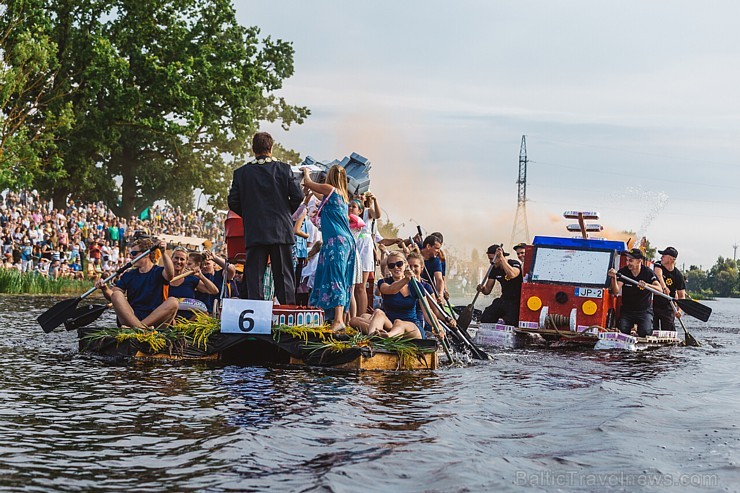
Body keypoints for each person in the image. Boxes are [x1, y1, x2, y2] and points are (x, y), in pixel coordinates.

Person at [227, 131, 304, 304]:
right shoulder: (284, 169)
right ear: (271, 147)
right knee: (283, 277)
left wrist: (250, 214)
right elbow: (298, 196)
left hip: (255, 231)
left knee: (255, 278)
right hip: (281, 230)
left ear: (253, 148)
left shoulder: (241, 173)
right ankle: (287, 316)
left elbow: (233, 202)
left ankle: (255, 315)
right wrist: (286, 212)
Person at [301, 164, 356, 331]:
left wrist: (306, 172)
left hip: (337, 242)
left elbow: (309, 182)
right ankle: (337, 318)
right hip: (339, 242)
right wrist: (309, 194)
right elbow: (317, 194)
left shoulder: (329, 188)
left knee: (336, 278)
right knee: (335, 277)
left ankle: (338, 320)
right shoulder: (341, 195)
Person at [98, 238, 179, 328]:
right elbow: (113, 295)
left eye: (134, 253)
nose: (131, 257)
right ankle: (141, 328)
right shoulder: (129, 275)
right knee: (117, 294)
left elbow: (170, 275)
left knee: (173, 301)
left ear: (146, 254)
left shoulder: (159, 271)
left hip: (154, 320)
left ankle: (140, 328)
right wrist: (104, 288)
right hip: (132, 318)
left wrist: (163, 252)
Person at [607, 248, 662, 337]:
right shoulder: (623, 272)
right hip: (627, 311)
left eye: (631, 261)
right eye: (627, 260)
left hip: (644, 311)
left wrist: (647, 285)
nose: (628, 263)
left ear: (639, 261)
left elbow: (659, 290)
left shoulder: (648, 272)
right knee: (623, 330)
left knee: (645, 332)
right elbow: (616, 291)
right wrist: (613, 278)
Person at [478, 244, 523, 326]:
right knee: (486, 317)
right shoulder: (494, 269)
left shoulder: (514, 263)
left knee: (511, 321)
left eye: (492, 259)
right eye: (489, 259)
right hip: (504, 299)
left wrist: (502, 258)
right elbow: (487, 290)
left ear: (499, 257)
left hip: (517, 301)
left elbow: (512, 274)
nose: (491, 262)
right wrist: (482, 289)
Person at [652, 246, 686, 331]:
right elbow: (658, 274)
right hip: (654, 305)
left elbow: (682, 296)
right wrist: (664, 288)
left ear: (671, 259)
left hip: (668, 307)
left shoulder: (678, 276)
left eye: (664, 255)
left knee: (668, 330)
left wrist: (679, 311)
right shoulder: (658, 264)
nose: (661, 257)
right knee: (652, 330)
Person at [420, 235, 445, 304]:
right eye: (437, 248)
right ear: (428, 246)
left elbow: (439, 279)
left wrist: (440, 294)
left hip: (429, 291)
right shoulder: (415, 255)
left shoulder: (436, 260)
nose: (439, 251)